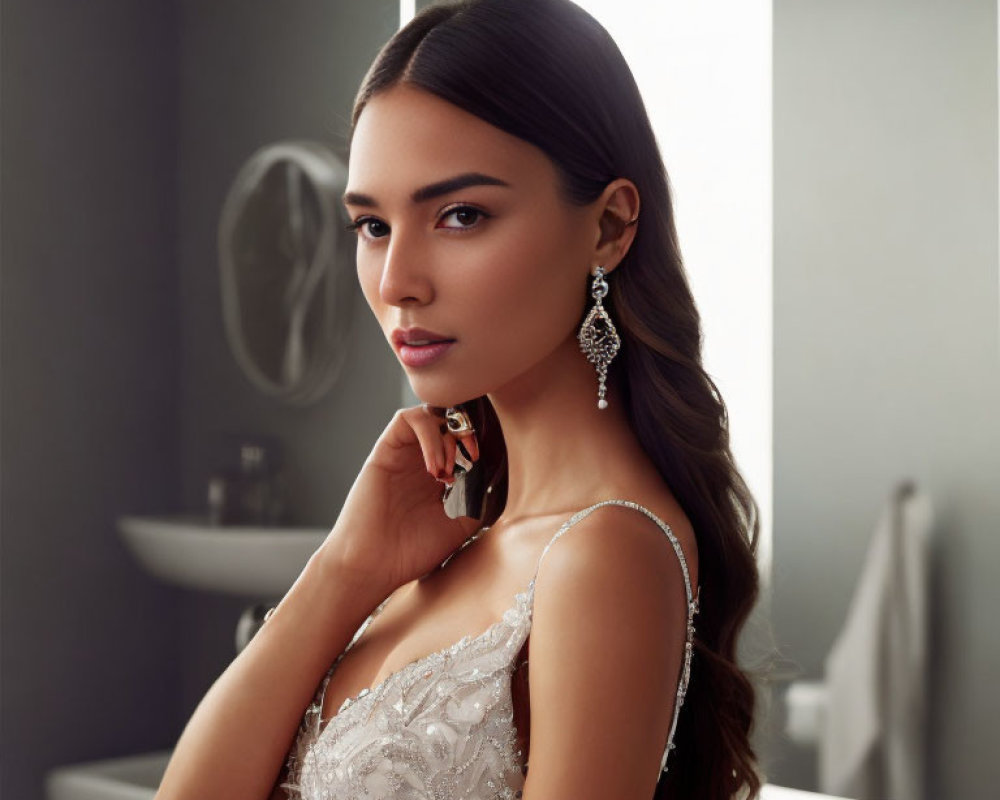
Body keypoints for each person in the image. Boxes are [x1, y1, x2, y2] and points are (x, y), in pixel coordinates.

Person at [156, 1, 761, 798]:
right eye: (372, 226)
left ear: (609, 226)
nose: (398, 280)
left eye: (460, 215)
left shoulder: (604, 555)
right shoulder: (451, 549)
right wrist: (344, 567)